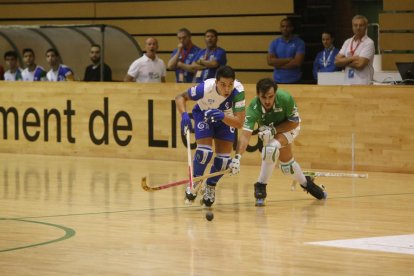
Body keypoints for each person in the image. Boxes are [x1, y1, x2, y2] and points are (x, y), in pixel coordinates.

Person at [228, 78, 326, 206]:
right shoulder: (253, 108)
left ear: (275, 93)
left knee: (270, 148)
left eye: (271, 96)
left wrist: (274, 130)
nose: (267, 101)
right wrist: (237, 158)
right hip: (271, 131)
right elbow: (245, 136)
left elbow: (294, 122)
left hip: (289, 127)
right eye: (264, 97)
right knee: (287, 167)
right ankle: (307, 183)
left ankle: (260, 185)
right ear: (258, 95)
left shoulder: (285, 98)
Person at [175, 65, 245, 207]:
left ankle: (210, 187)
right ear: (216, 82)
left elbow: (239, 123)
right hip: (203, 114)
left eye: (230, 84)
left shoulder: (238, 92)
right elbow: (180, 97)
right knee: (204, 153)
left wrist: (222, 115)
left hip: (226, 118)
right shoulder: (205, 88)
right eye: (223, 84)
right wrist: (184, 115)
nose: (227, 89)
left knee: (224, 161)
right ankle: (195, 182)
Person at [334, 14, 375, 85]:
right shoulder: (348, 41)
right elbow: (336, 62)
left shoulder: (369, 43)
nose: (358, 27)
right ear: (352, 27)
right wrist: (353, 58)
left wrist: (344, 61)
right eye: (355, 25)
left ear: (366, 27)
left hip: (363, 83)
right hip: (347, 83)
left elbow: (360, 64)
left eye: (361, 25)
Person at [267, 18, 305, 84]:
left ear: (292, 28)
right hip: (277, 81)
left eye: (287, 26)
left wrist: (278, 64)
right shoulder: (274, 42)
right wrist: (288, 60)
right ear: (280, 28)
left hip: (294, 80)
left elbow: (297, 63)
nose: (285, 28)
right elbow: (270, 61)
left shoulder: (299, 42)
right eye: (283, 26)